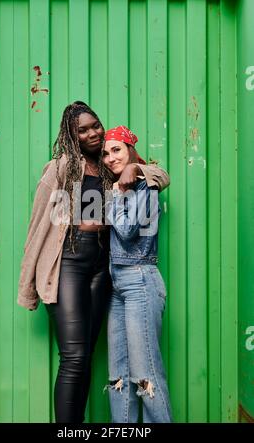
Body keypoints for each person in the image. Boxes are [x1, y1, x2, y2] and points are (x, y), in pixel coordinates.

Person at [17, 102, 170, 423]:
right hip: (68, 265)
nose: (92, 133)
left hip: (104, 268)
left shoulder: (107, 166)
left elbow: (162, 175)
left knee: (85, 356)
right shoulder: (60, 168)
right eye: (82, 130)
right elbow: (37, 228)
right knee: (73, 357)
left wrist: (136, 169)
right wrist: (28, 287)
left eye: (95, 126)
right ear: (71, 135)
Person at [102, 125, 172, 423]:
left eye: (116, 149)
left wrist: (117, 194)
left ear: (131, 149)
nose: (109, 158)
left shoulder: (146, 185)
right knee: (118, 375)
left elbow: (129, 231)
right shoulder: (118, 184)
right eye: (105, 153)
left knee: (146, 374)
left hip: (140, 280)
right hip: (116, 282)